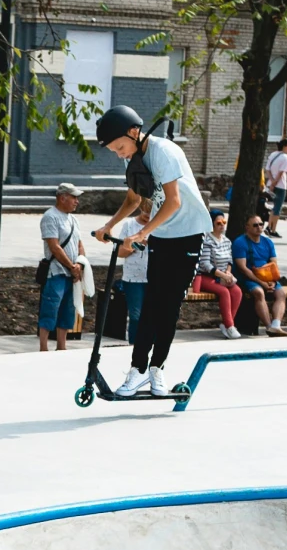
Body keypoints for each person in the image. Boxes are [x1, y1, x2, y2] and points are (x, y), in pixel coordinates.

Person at [90, 103, 211, 396]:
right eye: (115, 152)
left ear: (134, 132)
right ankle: (138, 370)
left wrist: (143, 232)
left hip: (188, 234)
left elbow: (173, 201)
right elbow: (133, 199)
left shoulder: (164, 153)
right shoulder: (132, 155)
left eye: (120, 147)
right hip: (162, 234)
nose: (120, 154)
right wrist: (110, 226)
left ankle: (157, 369)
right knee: (150, 305)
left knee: (168, 307)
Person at [37, 182, 84, 350]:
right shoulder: (50, 217)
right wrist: (71, 266)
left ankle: (61, 345)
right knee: (50, 307)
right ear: (62, 198)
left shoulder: (74, 220)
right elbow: (54, 247)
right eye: (74, 197)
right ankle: (43, 346)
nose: (77, 201)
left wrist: (79, 264)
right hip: (56, 271)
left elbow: (79, 243)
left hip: (71, 273)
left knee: (67, 310)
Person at [231, 212, 287, 334]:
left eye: (261, 224)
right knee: (259, 292)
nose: (259, 227)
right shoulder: (240, 243)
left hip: (267, 277)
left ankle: (276, 325)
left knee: (281, 294)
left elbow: (273, 264)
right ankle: (268, 327)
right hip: (248, 278)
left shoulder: (268, 242)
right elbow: (243, 269)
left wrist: (272, 281)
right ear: (247, 227)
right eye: (255, 225)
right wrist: (261, 283)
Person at [107, 198, 152, 341]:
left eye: (152, 214)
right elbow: (119, 253)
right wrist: (134, 244)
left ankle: (149, 345)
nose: (148, 217)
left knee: (152, 315)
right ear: (141, 209)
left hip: (153, 276)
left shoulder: (158, 225)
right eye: (146, 213)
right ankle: (133, 345)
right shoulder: (130, 225)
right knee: (136, 315)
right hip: (133, 277)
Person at [194, 206, 243, 335]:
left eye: (224, 223)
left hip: (223, 276)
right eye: (218, 223)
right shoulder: (206, 240)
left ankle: (226, 323)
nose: (222, 226)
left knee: (237, 292)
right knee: (224, 292)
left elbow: (229, 260)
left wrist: (228, 272)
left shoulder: (227, 241)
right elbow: (205, 264)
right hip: (207, 277)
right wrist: (221, 275)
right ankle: (230, 326)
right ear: (212, 224)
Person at [263, 137, 287, 225]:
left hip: (270, 184)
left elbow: (267, 169)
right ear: (284, 146)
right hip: (280, 186)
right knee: (277, 208)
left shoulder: (273, 154)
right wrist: (274, 183)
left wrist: (271, 181)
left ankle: (269, 226)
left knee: (273, 207)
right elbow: (281, 172)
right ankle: (272, 229)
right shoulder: (286, 157)